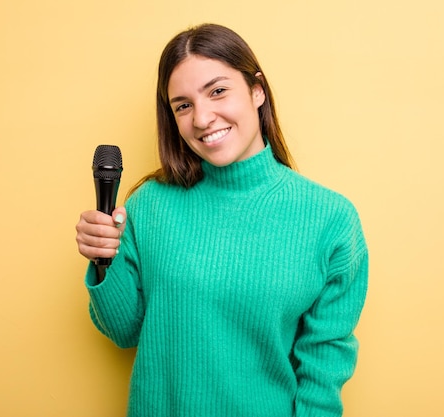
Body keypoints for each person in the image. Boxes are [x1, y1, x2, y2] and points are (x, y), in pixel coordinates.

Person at [75, 23, 368, 417]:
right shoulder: (149, 205)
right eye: (183, 105)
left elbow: (324, 363)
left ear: (257, 90)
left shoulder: (330, 220)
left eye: (217, 91)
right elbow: (125, 331)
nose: (201, 118)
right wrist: (102, 259)